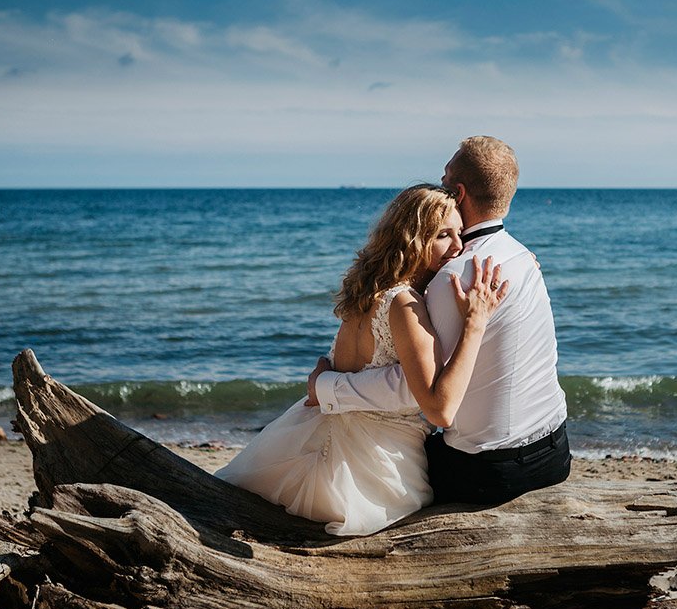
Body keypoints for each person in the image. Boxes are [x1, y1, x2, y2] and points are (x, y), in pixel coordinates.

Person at [215, 184, 509, 535]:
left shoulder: (366, 291)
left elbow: (337, 365)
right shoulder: (404, 304)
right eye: (444, 235)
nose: (459, 247)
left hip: (306, 437)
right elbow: (439, 408)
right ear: (413, 239)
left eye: (459, 234)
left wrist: (321, 382)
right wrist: (475, 323)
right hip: (372, 470)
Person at [308, 137, 570, 504]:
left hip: (489, 472)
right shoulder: (521, 257)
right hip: (557, 452)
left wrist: (326, 387)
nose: (440, 182)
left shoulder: (454, 278)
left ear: (457, 193)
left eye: (444, 176)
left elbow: (419, 391)